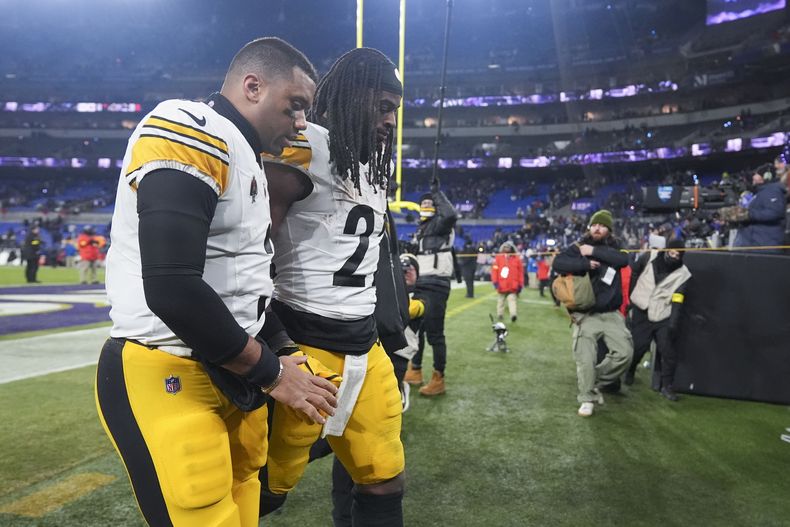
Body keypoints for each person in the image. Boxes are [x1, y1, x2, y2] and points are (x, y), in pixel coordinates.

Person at [95, 37, 339, 527]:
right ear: (253, 86)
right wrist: (273, 372)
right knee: (205, 511)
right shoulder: (189, 126)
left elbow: (243, 288)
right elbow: (171, 286)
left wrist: (283, 349)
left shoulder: (246, 156)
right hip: (169, 366)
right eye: (295, 106)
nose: (301, 124)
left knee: (244, 507)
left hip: (233, 371)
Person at [258, 48, 406, 526]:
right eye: (382, 106)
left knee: (384, 476)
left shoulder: (371, 164)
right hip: (307, 345)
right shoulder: (304, 147)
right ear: (350, 97)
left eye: (394, 112)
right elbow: (253, 250)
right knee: (268, 486)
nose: (389, 121)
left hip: (366, 347)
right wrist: (271, 343)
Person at [552, 209, 633, 417]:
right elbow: (558, 263)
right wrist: (585, 263)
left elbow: (623, 261)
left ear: (609, 229)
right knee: (585, 358)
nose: (597, 228)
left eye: (602, 225)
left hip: (612, 313)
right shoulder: (579, 246)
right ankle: (586, 398)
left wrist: (593, 252)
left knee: (625, 354)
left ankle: (593, 379)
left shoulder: (616, 247)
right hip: (586, 313)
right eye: (594, 225)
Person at [403, 182, 458, 396]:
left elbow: (451, 214)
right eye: (423, 202)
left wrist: (438, 193)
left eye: (429, 202)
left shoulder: (441, 224)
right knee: (415, 328)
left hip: (436, 284)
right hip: (421, 283)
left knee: (435, 333)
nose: (425, 204)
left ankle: (439, 378)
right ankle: (415, 369)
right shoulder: (422, 229)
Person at [624, 239, 691, 401]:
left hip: (662, 314)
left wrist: (673, 322)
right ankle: (631, 369)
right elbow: (634, 273)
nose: (674, 256)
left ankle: (667, 386)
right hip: (642, 309)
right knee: (638, 347)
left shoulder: (684, 274)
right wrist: (632, 298)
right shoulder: (649, 257)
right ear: (666, 250)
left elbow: (678, 298)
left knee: (668, 352)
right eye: (672, 252)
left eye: (678, 254)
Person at [730, 164, 787, 252]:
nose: (753, 177)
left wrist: (748, 215)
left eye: (756, 174)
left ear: (765, 177)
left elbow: (774, 212)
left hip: (763, 246)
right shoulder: (760, 192)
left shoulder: (772, 191)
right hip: (754, 246)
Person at [491, 240, 523, 322]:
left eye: (508, 247)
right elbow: (494, 271)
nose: (507, 248)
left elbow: (520, 272)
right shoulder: (498, 258)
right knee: (501, 301)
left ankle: (513, 314)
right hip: (501, 284)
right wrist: (495, 282)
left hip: (513, 285)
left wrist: (520, 284)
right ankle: (500, 314)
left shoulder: (517, 259)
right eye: (505, 247)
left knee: (512, 300)